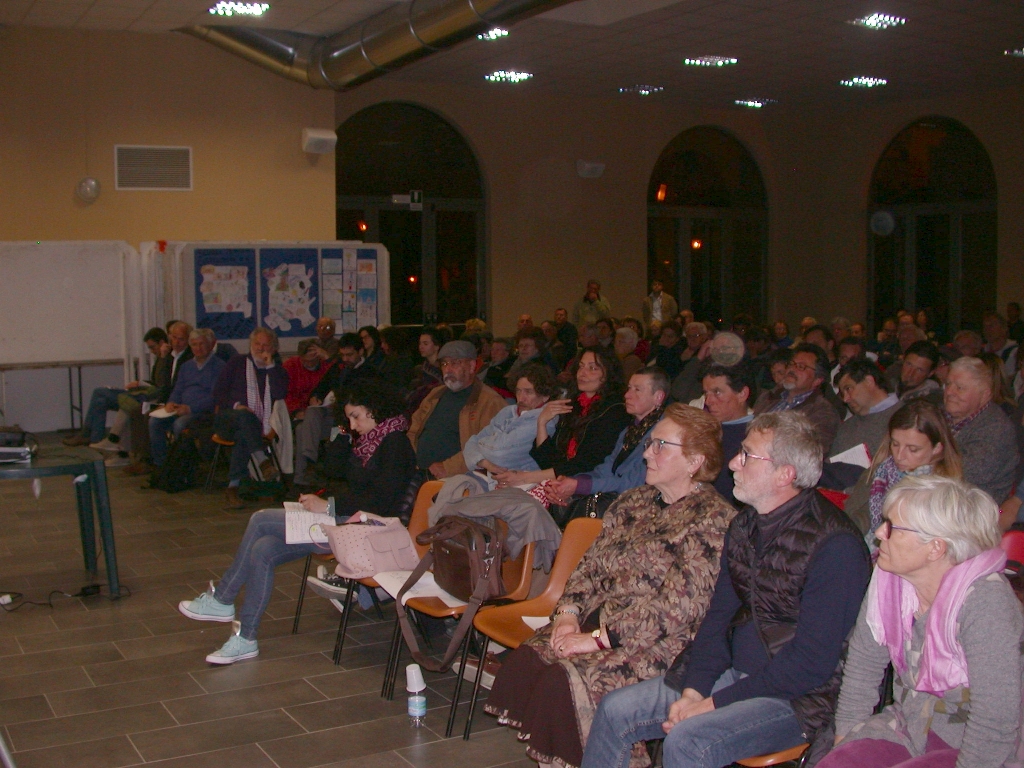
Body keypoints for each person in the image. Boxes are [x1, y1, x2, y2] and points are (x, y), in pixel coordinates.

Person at [582, 411, 871, 768]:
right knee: (615, 709)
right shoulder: (746, 525)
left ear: (785, 474)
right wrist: (694, 690)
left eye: (747, 455)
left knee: (690, 740)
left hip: (799, 699)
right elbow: (719, 617)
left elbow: (810, 665)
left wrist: (709, 705)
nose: (733, 462)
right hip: (733, 675)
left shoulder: (835, 546)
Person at [485, 405, 736, 768]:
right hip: (599, 623)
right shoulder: (632, 502)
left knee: (563, 681)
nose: (647, 453)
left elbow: (678, 608)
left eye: (661, 446)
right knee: (529, 660)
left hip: (661, 644)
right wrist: (568, 614)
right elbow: (588, 567)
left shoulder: (714, 519)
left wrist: (598, 639)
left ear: (695, 460)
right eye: (650, 443)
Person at [177, 379, 416, 664]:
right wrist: (341, 434)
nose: (352, 425)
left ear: (376, 410)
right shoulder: (367, 441)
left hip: (366, 532)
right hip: (344, 522)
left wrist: (329, 505)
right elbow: (332, 470)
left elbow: (381, 501)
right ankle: (245, 639)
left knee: (261, 519)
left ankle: (223, 598)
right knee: (263, 549)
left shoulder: (395, 444)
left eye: (356, 417)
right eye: (348, 418)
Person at [819, 476, 1023, 768]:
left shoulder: (985, 601)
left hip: (978, 744)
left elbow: (995, 720)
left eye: (892, 527)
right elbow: (863, 667)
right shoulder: (888, 578)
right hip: (911, 724)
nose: (878, 533)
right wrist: (846, 741)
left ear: (935, 548)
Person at [494, 346, 632, 489]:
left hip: (584, 487)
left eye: (592, 369)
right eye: (581, 367)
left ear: (608, 374)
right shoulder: (574, 405)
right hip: (558, 482)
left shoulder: (615, 411)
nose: (582, 373)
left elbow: (585, 465)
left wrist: (525, 477)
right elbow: (547, 461)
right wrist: (542, 422)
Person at [547, 367, 670, 504]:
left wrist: (580, 486)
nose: (627, 395)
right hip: (615, 499)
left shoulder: (664, 434)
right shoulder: (631, 429)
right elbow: (606, 469)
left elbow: (635, 483)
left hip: (640, 505)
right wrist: (574, 481)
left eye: (637, 390)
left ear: (658, 397)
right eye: (629, 388)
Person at [843, 399, 962, 538]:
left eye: (913, 449)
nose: (899, 456)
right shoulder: (880, 472)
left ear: (937, 448)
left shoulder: (942, 495)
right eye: (895, 444)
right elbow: (860, 517)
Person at [64, 324, 187, 447]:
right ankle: (95, 439)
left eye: (153, 347)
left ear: (162, 342)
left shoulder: (170, 358)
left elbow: (165, 385)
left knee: (99, 392)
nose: (152, 351)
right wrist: (140, 383)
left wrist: (164, 358)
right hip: (148, 393)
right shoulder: (161, 358)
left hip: (152, 398)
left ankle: (88, 435)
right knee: (100, 401)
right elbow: (156, 382)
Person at [212, 327, 289, 509]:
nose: (261, 348)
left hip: (254, 427)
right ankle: (262, 460)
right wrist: (236, 406)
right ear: (250, 345)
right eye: (257, 344)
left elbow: (279, 394)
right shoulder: (236, 362)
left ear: (274, 348)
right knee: (244, 417)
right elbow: (218, 394)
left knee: (244, 435)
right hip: (229, 418)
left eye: (266, 345)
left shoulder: (278, 370)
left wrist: (270, 367)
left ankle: (232, 488)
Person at [408, 340, 506, 479]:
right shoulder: (435, 394)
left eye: (455, 363)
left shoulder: (490, 402)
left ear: (472, 366)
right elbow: (414, 429)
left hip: (458, 479)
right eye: (444, 364)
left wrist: (448, 467)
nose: (448, 369)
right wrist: (410, 457)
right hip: (419, 472)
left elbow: (488, 447)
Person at [461, 364, 558, 484]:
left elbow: (499, 454)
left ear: (545, 396)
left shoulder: (545, 420)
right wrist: (485, 463)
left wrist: (483, 446)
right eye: (518, 391)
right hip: (490, 479)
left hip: (524, 487)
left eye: (528, 392)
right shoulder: (507, 412)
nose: (521, 398)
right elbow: (470, 444)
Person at [943, 356, 1019, 502]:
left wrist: (927, 456)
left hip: (975, 506)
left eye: (960, 387)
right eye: (948, 384)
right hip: (943, 497)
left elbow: (970, 473)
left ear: (985, 395)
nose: (949, 392)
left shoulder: (996, 427)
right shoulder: (938, 414)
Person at [149, 328, 226, 468]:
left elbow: (215, 397)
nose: (198, 348)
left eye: (202, 344)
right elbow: (178, 389)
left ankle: (185, 466)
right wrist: (171, 402)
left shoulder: (219, 366)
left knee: (179, 425)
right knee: (154, 422)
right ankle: (162, 465)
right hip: (180, 408)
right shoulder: (186, 366)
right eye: (194, 344)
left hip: (204, 411)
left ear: (211, 344)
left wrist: (190, 408)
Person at [823, 359, 902, 490]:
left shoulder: (905, 418)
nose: (846, 399)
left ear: (869, 382)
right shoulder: (846, 427)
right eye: (843, 393)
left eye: (849, 389)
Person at [753, 342, 842, 453]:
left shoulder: (823, 412)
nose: (792, 370)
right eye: (791, 364)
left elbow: (809, 454)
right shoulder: (767, 397)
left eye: (801, 367)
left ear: (817, 380)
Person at [702, 362, 754, 506]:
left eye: (717, 392)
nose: (708, 401)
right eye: (706, 393)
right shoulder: (705, 429)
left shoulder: (752, 437)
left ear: (742, 394)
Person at [282, 338, 329, 418]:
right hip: (297, 412)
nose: (309, 364)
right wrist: (296, 411)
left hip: (323, 410)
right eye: (305, 361)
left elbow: (339, 378)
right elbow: (286, 394)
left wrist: (328, 358)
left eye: (312, 361)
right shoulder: (290, 366)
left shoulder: (326, 365)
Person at [407, 326, 445, 412]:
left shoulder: (443, 367)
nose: (421, 347)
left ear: (436, 346)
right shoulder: (424, 367)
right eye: (420, 343)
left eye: (425, 344)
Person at [983, 311, 1019, 380]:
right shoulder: (982, 351)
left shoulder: (1014, 352)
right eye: (985, 326)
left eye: (991, 326)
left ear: (1004, 328)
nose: (987, 330)